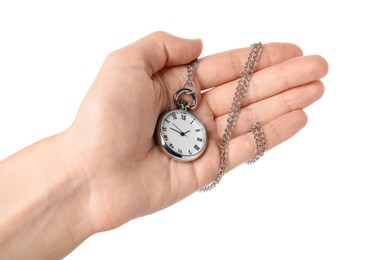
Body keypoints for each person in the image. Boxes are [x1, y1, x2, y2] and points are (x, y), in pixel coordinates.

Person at [0, 31, 328, 259]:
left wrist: (80, 178)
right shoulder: (170, 120)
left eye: (185, 134)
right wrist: (82, 170)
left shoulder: (188, 123)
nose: (184, 134)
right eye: (180, 133)